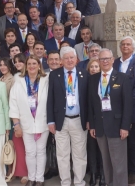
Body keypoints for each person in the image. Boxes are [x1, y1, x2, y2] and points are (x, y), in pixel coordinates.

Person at [88, 48, 132, 186]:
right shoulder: (93, 79)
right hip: (100, 127)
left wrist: (125, 126)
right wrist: (92, 125)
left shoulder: (122, 78)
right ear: (98, 61)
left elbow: (128, 105)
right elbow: (91, 104)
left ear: (113, 60)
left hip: (117, 126)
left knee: (118, 163)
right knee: (106, 162)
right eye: (102, 59)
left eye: (107, 58)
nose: (105, 61)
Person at [47, 46, 89, 186]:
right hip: (61, 121)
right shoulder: (54, 75)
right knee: (62, 154)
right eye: (66, 58)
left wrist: (89, 120)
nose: (70, 60)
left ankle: (79, 182)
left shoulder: (84, 74)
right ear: (61, 61)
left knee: (79, 154)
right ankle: (65, 182)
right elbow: (50, 99)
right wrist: (50, 121)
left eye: (72, 57)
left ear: (76, 59)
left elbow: (88, 100)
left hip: (79, 120)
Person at [9, 55, 49, 186]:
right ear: (25, 66)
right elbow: (13, 103)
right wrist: (16, 124)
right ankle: (32, 178)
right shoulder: (19, 81)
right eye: (29, 64)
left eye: (34, 63)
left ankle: (40, 179)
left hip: (42, 121)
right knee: (30, 152)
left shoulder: (46, 80)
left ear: (39, 65)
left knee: (41, 151)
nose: (32, 66)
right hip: (26, 123)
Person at [113, 36, 135, 184]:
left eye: (128, 44)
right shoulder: (114, 63)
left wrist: (124, 106)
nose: (125, 46)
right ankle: (120, 171)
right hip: (115, 111)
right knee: (118, 142)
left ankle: (133, 172)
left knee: (132, 142)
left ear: (133, 48)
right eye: (123, 44)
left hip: (132, 110)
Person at [85, 58, 105, 186]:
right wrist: (88, 121)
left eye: (97, 66)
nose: (94, 69)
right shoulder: (85, 81)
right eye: (92, 67)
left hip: (104, 120)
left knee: (103, 149)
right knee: (92, 149)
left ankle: (103, 175)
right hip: (91, 120)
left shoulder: (105, 81)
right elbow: (86, 104)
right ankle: (93, 175)